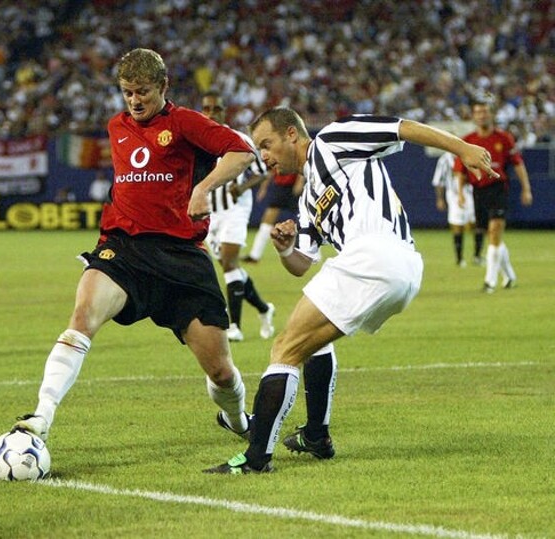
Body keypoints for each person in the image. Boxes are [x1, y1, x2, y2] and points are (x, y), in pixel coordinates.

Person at [203, 108, 498, 474]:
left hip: (376, 254)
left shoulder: (333, 139)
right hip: (398, 270)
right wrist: (284, 248)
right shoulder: (308, 199)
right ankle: (316, 436)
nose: (263, 156)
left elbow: (402, 128)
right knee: (313, 342)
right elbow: (301, 264)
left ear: (291, 134)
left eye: (266, 144)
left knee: (284, 349)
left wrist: (462, 148)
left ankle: (256, 458)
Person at [12, 48, 258, 447]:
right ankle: (41, 415)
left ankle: (238, 420)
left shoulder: (185, 122)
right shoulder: (116, 126)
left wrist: (203, 188)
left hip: (182, 258)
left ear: (163, 86)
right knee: (82, 316)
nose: (134, 100)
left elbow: (241, 152)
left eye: (142, 91)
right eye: (127, 92)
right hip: (124, 250)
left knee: (222, 373)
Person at [201, 90, 275, 342]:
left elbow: (263, 171)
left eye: (216, 109)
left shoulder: (238, 139)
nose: (211, 113)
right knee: (230, 267)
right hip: (209, 213)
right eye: (207, 109)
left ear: (225, 112)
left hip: (235, 209)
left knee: (230, 264)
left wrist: (242, 188)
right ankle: (264, 309)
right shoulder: (195, 141)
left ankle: (235, 326)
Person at [454, 95, 533, 293]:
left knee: (495, 231)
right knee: (491, 235)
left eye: (485, 112)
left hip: (498, 189)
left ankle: (489, 281)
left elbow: (518, 164)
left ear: (492, 114)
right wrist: (460, 193)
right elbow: (460, 171)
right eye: (478, 112)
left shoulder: (503, 138)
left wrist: (526, 188)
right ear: (473, 116)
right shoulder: (468, 141)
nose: (482, 115)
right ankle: (509, 276)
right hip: (478, 191)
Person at [242, 171, 303, 263]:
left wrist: (300, 182)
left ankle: (313, 255)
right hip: (279, 187)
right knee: (267, 221)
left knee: (303, 221)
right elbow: (270, 170)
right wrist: (263, 188)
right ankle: (254, 255)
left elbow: (301, 166)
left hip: (294, 186)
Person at [431, 151, 479, 267]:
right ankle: (459, 258)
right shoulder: (444, 160)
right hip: (453, 194)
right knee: (457, 224)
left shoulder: (467, 154)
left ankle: (477, 255)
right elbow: (438, 180)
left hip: (471, 192)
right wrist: (440, 199)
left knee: (476, 223)